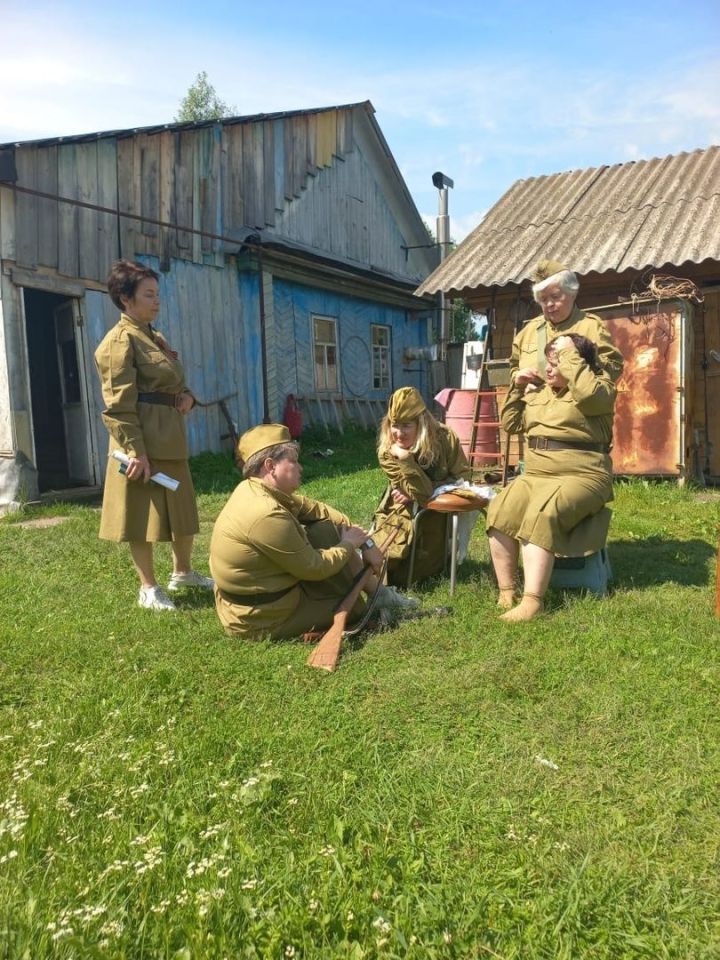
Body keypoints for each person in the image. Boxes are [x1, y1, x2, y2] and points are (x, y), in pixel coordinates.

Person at [209, 423, 419, 640]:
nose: (300, 467)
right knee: (355, 608)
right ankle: (378, 596)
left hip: (266, 596)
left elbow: (317, 510)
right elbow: (314, 567)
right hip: (261, 616)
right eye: (293, 461)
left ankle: (380, 594)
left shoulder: (254, 489)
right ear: (270, 466)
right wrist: (349, 544)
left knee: (324, 529)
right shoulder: (266, 514)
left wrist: (366, 543)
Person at [95, 259, 213, 611]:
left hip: (170, 435)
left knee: (181, 506)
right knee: (140, 513)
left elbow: (172, 380)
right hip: (141, 438)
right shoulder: (119, 342)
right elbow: (117, 404)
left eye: (157, 294)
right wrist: (135, 451)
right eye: (148, 294)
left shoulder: (153, 336)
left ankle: (183, 572)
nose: (156, 300)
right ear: (125, 299)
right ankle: (148, 587)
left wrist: (189, 396)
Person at [487, 333, 617, 622]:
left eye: (558, 362)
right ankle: (507, 591)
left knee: (541, 515)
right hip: (536, 473)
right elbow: (510, 423)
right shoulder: (539, 392)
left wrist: (570, 353)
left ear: (577, 362)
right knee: (499, 511)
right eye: (548, 361)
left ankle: (534, 601)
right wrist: (517, 387)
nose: (548, 368)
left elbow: (588, 395)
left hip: (583, 475)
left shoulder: (600, 389)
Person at [372, 386, 475, 586]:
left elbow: (462, 476)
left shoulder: (445, 438)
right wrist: (405, 459)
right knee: (390, 573)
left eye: (406, 425)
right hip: (401, 515)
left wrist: (431, 488)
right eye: (394, 425)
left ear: (422, 423)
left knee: (429, 568)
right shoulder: (387, 451)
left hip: (437, 518)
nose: (398, 433)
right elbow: (422, 493)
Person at [511, 259, 624, 388]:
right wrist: (520, 381)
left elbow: (614, 368)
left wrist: (581, 370)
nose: (549, 304)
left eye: (555, 296)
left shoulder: (591, 326)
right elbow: (513, 368)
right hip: (535, 406)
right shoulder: (529, 331)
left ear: (572, 294)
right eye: (543, 299)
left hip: (575, 405)